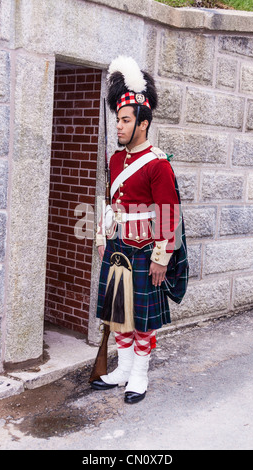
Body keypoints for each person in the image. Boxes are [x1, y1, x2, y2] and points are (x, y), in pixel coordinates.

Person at [91, 56, 188, 404]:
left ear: (143, 124)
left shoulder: (158, 165)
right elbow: (109, 201)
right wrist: (103, 235)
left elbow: (167, 213)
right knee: (119, 312)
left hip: (146, 249)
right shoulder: (115, 160)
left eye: (126, 120)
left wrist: (162, 258)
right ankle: (122, 368)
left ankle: (140, 374)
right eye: (117, 119)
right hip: (118, 246)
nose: (118, 126)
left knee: (144, 319)